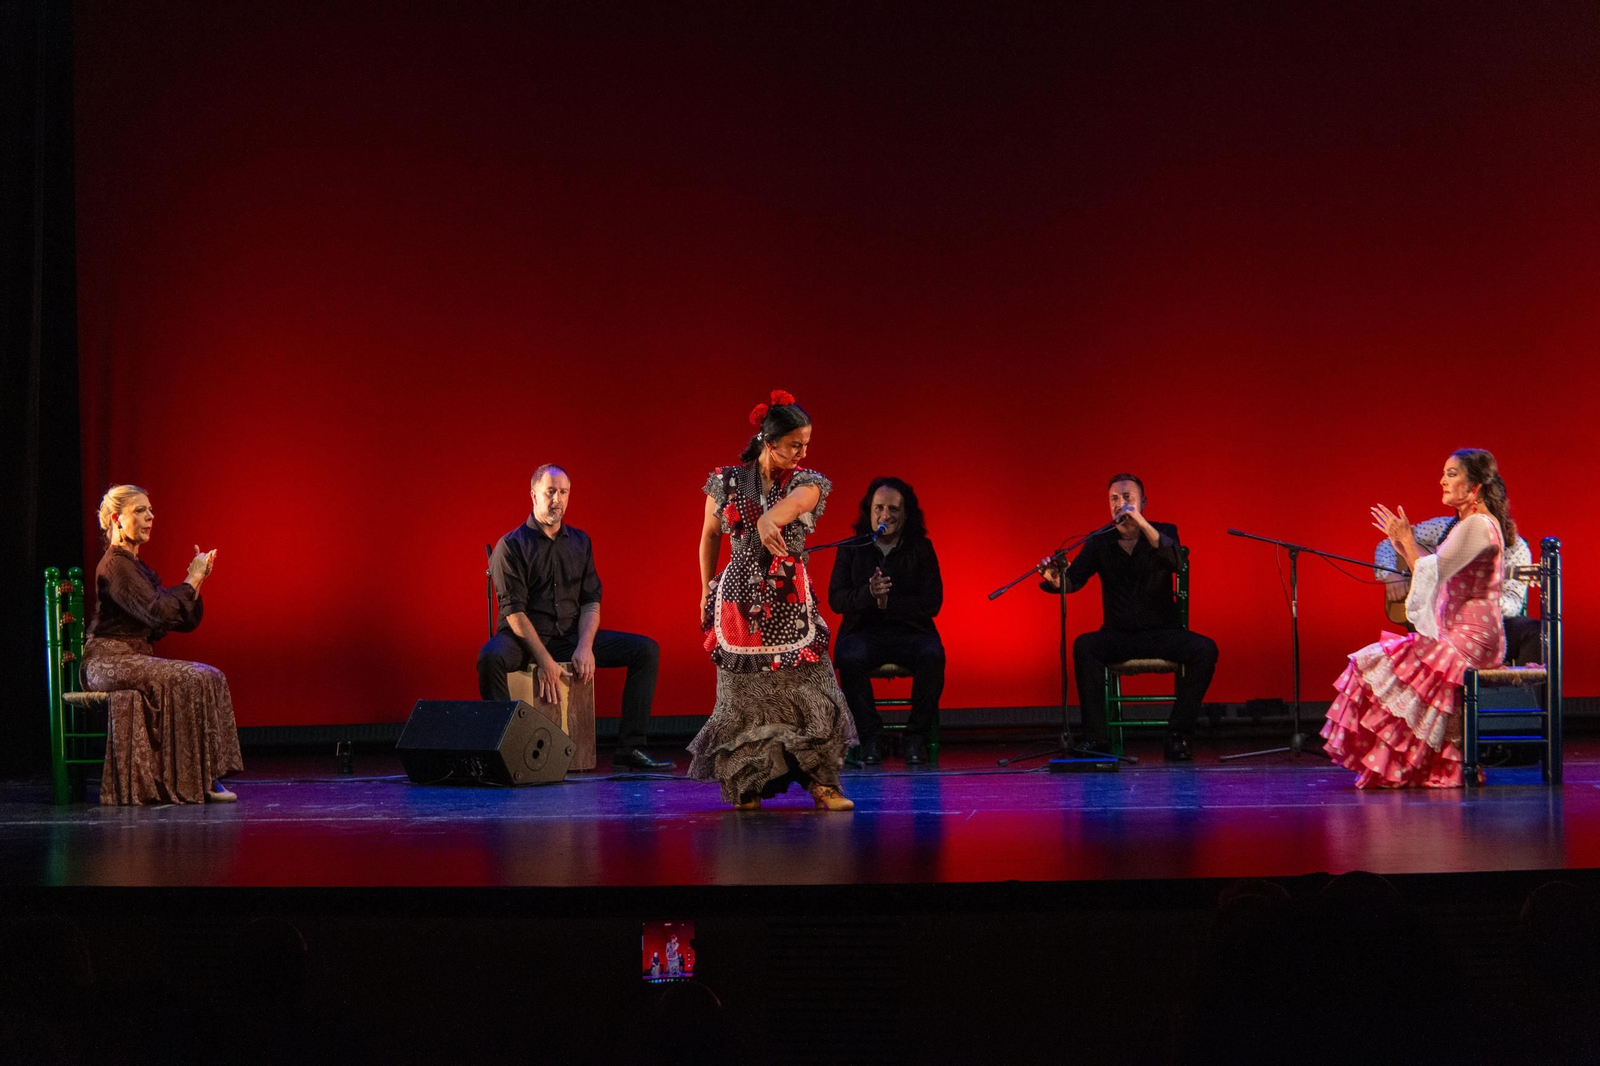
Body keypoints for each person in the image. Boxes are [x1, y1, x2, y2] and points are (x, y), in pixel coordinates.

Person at [686, 390, 857, 810]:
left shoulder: (806, 481)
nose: (802, 451)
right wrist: (706, 587)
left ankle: (823, 783)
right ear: (769, 440)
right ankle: (748, 784)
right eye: (795, 443)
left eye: (807, 444)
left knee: (815, 690)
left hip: (789, 601)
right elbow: (709, 536)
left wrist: (768, 517)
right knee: (743, 699)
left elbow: (800, 504)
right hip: (738, 603)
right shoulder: (726, 480)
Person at [1321, 449, 1515, 788]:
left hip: (1474, 637)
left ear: (1476, 487)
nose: (1443, 480)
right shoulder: (1467, 525)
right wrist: (1403, 544)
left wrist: (1409, 541)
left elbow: (1433, 572)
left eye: (1452, 473)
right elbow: (1432, 572)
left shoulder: (1478, 525)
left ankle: (1429, 761)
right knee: (1379, 662)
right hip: (1460, 632)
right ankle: (1421, 760)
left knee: (1382, 663)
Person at [477, 464, 669, 771]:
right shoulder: (511, 545)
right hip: (523, 639)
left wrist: (585, 645)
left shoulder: (580, 542)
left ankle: (630, 748)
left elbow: (591, 600)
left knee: (646, 650)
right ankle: (505, 751)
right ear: (534, 495)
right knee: (490, 658)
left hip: (567, 637)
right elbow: (514, 611)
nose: (557, 499)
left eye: (563, 492)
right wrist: (545, 661)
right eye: (550, 492)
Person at [82, 484, 243, 804]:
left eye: (151, 511)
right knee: (194, 676)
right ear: (117, 518)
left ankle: (204, 777)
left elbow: (176, 616)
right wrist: (192, 579)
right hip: (108, 661)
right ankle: (197, 781)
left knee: (210, 674)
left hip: (133, 657)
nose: (150, 517)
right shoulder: (116, 565)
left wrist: (195, 580)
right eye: (140, 511)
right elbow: (158, 612)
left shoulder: (136, 567)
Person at [1040, 473, 1218, 761]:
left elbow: (1176, 562)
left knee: (1205, 649)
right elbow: (1074, 580)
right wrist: (1056, 580)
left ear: (1143, 502)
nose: (1120, 504)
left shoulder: (1162, 532)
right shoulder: (1100, 541)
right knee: (1085, 646)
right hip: (1119, 634)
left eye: (1127, 498)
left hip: (1162, 632)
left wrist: (1142, 524)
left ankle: (1177, 735)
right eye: (1114, 499)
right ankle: (1097, 741)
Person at [828, 477, 945, 764]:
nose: (885, 515)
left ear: (906, 514)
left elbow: (932, 603)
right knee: (848, 657)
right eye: (879, 507)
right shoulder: (851, 548)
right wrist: (868, 594)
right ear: (869, 511)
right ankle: (871, 738)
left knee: (933, 656)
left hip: (910, 632)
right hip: (863, 632)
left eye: (893, 509)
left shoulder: (922, 548)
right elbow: (836, 599)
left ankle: (915, 737)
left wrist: (891, 603)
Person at [1374, 507, 1539, 663]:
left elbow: (1514, 603)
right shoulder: (1444, 528)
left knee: (1536, 632)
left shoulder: (1515, 548)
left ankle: (1522, 691)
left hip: (1488, 627)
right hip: (1441, 620)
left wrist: (1486, 597)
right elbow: (1388, 544)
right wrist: (1391, 575)